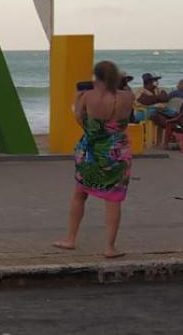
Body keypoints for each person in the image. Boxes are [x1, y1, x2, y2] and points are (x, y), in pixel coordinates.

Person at [54, 59, 135, 258]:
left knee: (79, 194)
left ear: (95, 77)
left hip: (91, 149)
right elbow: (128, 116)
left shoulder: (88, 96)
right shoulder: (128, 97)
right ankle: (109, 247)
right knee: (113, 199)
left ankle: (70, 239)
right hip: (117, 151)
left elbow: (79, 119)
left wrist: (78, 98)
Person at [148, 78, 183, 143]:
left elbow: (164, 100)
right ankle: (174, 131)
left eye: (179, 84)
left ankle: (173, 130)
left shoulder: (175, 93)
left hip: (171, 114)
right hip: (182, 116)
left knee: (153, 114)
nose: (177, 85)